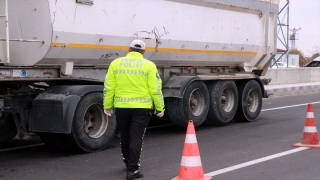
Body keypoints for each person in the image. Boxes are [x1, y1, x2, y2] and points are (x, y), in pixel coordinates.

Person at [103, 39, 165, 180]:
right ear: (143, 52)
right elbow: (155, 89)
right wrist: (159, 108)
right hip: (142, 108)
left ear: (129, 49)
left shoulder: (115, 63)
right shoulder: (149, 65)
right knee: (136, 137)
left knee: (125, 136)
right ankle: (133, 170)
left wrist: (107, 106)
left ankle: (127, 162)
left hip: (122, 108)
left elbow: (109, 87)